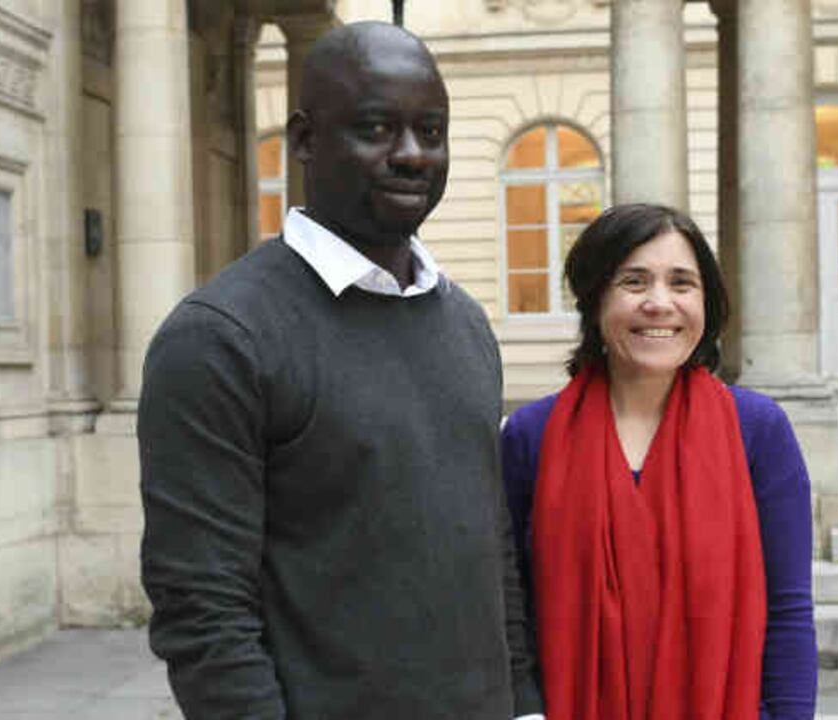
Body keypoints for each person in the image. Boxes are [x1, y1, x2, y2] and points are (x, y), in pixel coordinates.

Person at [139, 22, 543, 720]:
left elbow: (490, 545)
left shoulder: (466, 324)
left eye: (432, 131)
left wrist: (526, 705)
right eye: (377, 128)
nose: (412, 155)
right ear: (303, 140)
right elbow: (203, 613)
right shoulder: (219, 339)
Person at [502, 203, 818, 720]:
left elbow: (787, 616)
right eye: (633, 281)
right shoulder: (530, 437)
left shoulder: (758, 431)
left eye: (681, 283)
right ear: (595, 298)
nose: (659, 303)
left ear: (706, 303)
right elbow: (509, 614)